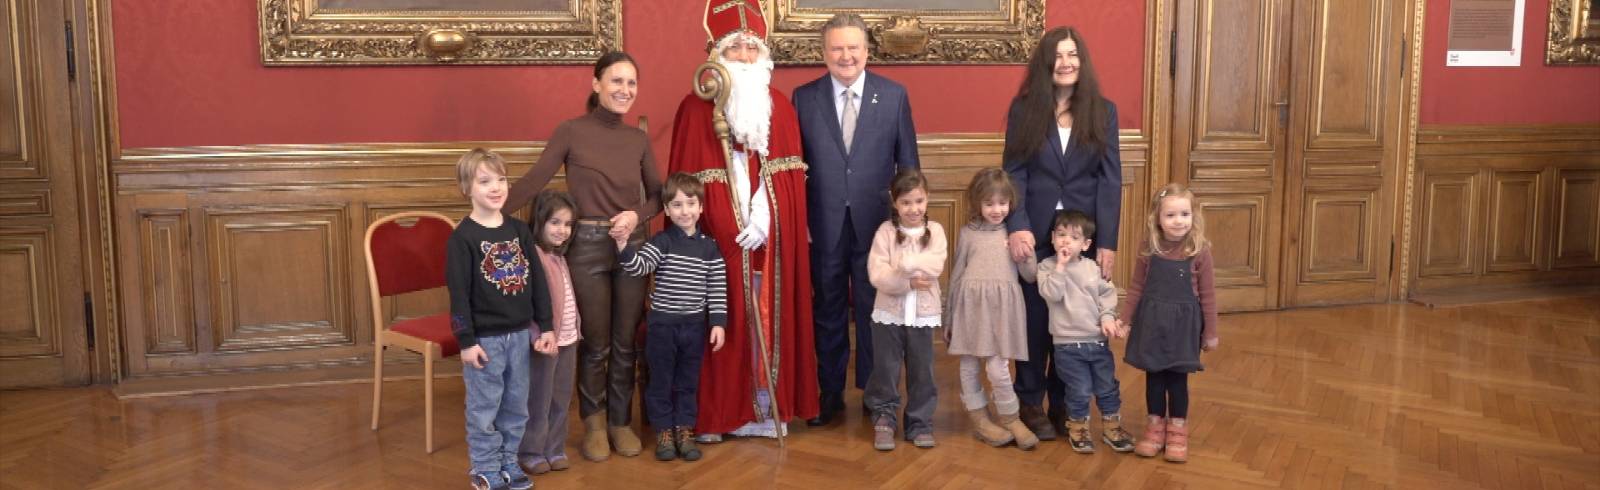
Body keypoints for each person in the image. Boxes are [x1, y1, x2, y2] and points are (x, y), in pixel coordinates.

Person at [667, 0, 818, 440]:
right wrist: (726, 217)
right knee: (721, 319)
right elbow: (689, 181)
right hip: (717, 236)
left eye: (753, 49)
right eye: (737, 49)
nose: (747, 58)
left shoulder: (780, 107)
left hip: (765, 237)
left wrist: (764, 215)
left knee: (766, 315)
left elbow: (787, 178)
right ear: (717, 54)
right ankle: (720, 412)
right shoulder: (695, 108)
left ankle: (765, 407)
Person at [504, 51, 661, 462]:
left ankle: (620, 422)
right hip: (586, 247)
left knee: (625, 341)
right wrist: (486, 216)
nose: (624, 90)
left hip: (632, 247)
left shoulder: (638, 139)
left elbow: (659, 195)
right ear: (596, 84)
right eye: (616, 81)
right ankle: (594, 421)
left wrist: (636, 214)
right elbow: (537, 179)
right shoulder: (571, 131)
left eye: (631, 83)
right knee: (595, 342)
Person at [793, 13, 921, 427]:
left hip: (878, 226)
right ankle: (829, 394)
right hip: (823, 223)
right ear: (824, 53)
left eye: (853, 48)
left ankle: (875, 391)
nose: (845, 56)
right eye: (837, 48)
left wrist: (908, 229)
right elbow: (795, 168)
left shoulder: (895, 95)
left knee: (874, 309)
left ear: (867, 51)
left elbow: (909, 168)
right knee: (827, 307)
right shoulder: (803, 97)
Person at [1002, 27, 1123, 440]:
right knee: (1035, 321)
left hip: (1082, 235)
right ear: (1046, 63)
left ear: (1082, 61)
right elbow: (1013, 172)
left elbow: (1110, 180)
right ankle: (1030, 401)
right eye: (1058, 55)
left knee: (1074, 321)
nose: (1066, 62)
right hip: (1035, 234)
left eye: (1073, 54)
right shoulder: (1024, 110)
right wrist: (1016, 227)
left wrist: (1106, 242)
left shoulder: (1103, 111)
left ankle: (1065, 401)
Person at [447, 148, 557, 490]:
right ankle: (484, 468)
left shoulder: (519, 230)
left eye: (501, 179)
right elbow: (459, 296)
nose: (496, 187)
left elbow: (538, 281)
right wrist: (465, 341)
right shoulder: (462, 238)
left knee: (516, 406)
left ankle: (510, 462)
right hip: (484, 340)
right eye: (485, 181)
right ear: (467, 188)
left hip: (520, 335)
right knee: (484, 410)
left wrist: (547, 326)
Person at [617, 173, 729, 463]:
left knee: (687, 382)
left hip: (694, 327)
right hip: (662, 327)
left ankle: (684, 430)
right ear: (666, 209)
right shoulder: (662, 242)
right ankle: (664, 433)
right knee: (662, 381)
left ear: (701, 207)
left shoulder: (709, 248)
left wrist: (718, 323)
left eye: (690, 203)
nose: (684, 211)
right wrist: (622, 245)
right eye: (676, 205)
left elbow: (717, 288)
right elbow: (639, 267)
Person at [1122, 183, 1220, 464]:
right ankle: (1154, 428)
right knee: (1154, 378)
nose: (1179, 221)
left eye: (1185, 214)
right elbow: (1136, 288)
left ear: (1194, 217)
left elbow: (1209, 297)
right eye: (1171, 215)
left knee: (1177, 380)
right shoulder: (1148, 248)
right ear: (1157, 218)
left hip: (1183, 328)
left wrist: (1211, 333)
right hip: (1151, 324)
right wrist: (1125, 320)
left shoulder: (1199, 252)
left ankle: (1177, 429)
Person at [944, 168, 1038, 450]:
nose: (996, 210)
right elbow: (957, 275)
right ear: (977, 204)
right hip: (970, 308)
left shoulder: (1015, 233)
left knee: (998, 368)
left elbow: (1031, 275)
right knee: (969, 365)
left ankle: (1010, 418)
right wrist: (948, 316)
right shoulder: (967, 234)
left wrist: (1022, 250)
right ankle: (979, 419)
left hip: (1000, 312)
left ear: (1011, 202)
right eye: (989, 203)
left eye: (1002, 203)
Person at [1029, 210, 1136, 454]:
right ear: (1053, 238)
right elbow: (1052, 294)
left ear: (1086, 244)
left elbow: (1107, 297)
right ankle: (1078, 429)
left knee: (1108, 386)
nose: (1066, 241)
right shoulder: (1046, 266)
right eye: (1061, 235)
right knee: (1079, 389)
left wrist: (1108, 317)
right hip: (1067, 346)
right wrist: (1061, 267)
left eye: (1073, 237)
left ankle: (1112, 428)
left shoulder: (1093, 268)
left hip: (1097, 343)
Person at [864, 168, 946, 451]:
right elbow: (878, 274)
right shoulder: (886, 233)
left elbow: (935, 265)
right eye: (906, 202)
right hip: (888, 313)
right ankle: (884, 417)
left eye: (919, 201)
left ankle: (919, 422)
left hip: (923, 316)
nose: (914, 208)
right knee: (886, 368)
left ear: (928, 200)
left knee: (923, 370)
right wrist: (908, 281)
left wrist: (905, 263)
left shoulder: (936, 231)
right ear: (895, 203)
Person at [518, 190, 580, 476]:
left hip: (568, 339)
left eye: (567, 224)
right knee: (538, 399)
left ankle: (555, 447)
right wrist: (538, 336)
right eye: (555, 223)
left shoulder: (559, 257)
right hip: (545, 342)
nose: (562, 230)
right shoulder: (535, 258)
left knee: (561, 397)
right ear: (540, 222)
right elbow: (531, 306)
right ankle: (531, 450)